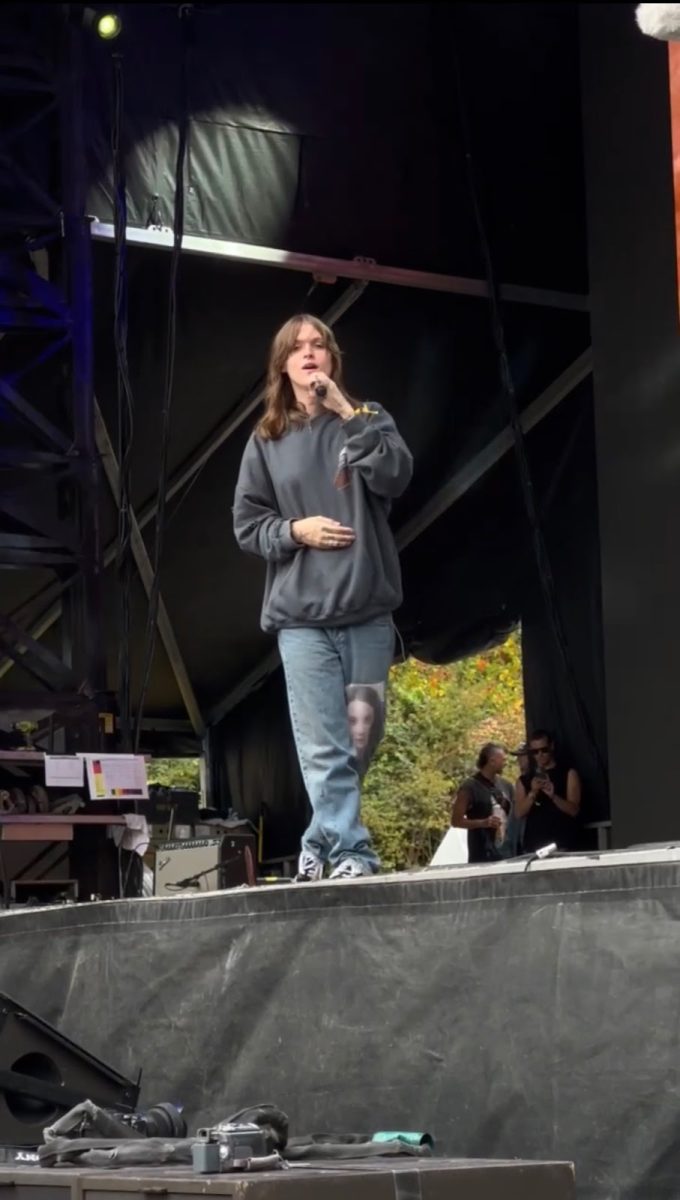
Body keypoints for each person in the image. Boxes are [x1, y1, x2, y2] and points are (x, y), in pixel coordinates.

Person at [232, 313, 413, 881]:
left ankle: (317, 841)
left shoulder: (367, 418)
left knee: (360, 739)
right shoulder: (266, 440)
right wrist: (295, 532)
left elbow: (395, 477)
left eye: (319, 346)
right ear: (282, 364)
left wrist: (345, 412)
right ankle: (354, 853)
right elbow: (247, 525)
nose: (309, 354)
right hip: (301, 618)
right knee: (323, 745)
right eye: (298, 347)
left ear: (332, 362)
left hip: (366, 611)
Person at [514, 729, 581, 852]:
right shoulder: (524, 780)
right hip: (534, 845)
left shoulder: (568, 773)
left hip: (562, 843)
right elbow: (518, 813)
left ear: (551, 747)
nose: (540, 755)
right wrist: (533, 792)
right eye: (535, 752)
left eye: (544, 750)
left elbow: (574, 810)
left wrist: (553, 796)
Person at [451, 743, 514, 864]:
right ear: (492, 761)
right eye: (503, 760)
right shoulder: (469, 787)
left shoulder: (507, 785)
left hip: (508, 853)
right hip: (482, 856)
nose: (506, 763)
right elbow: (456, 821)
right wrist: (483, 823)